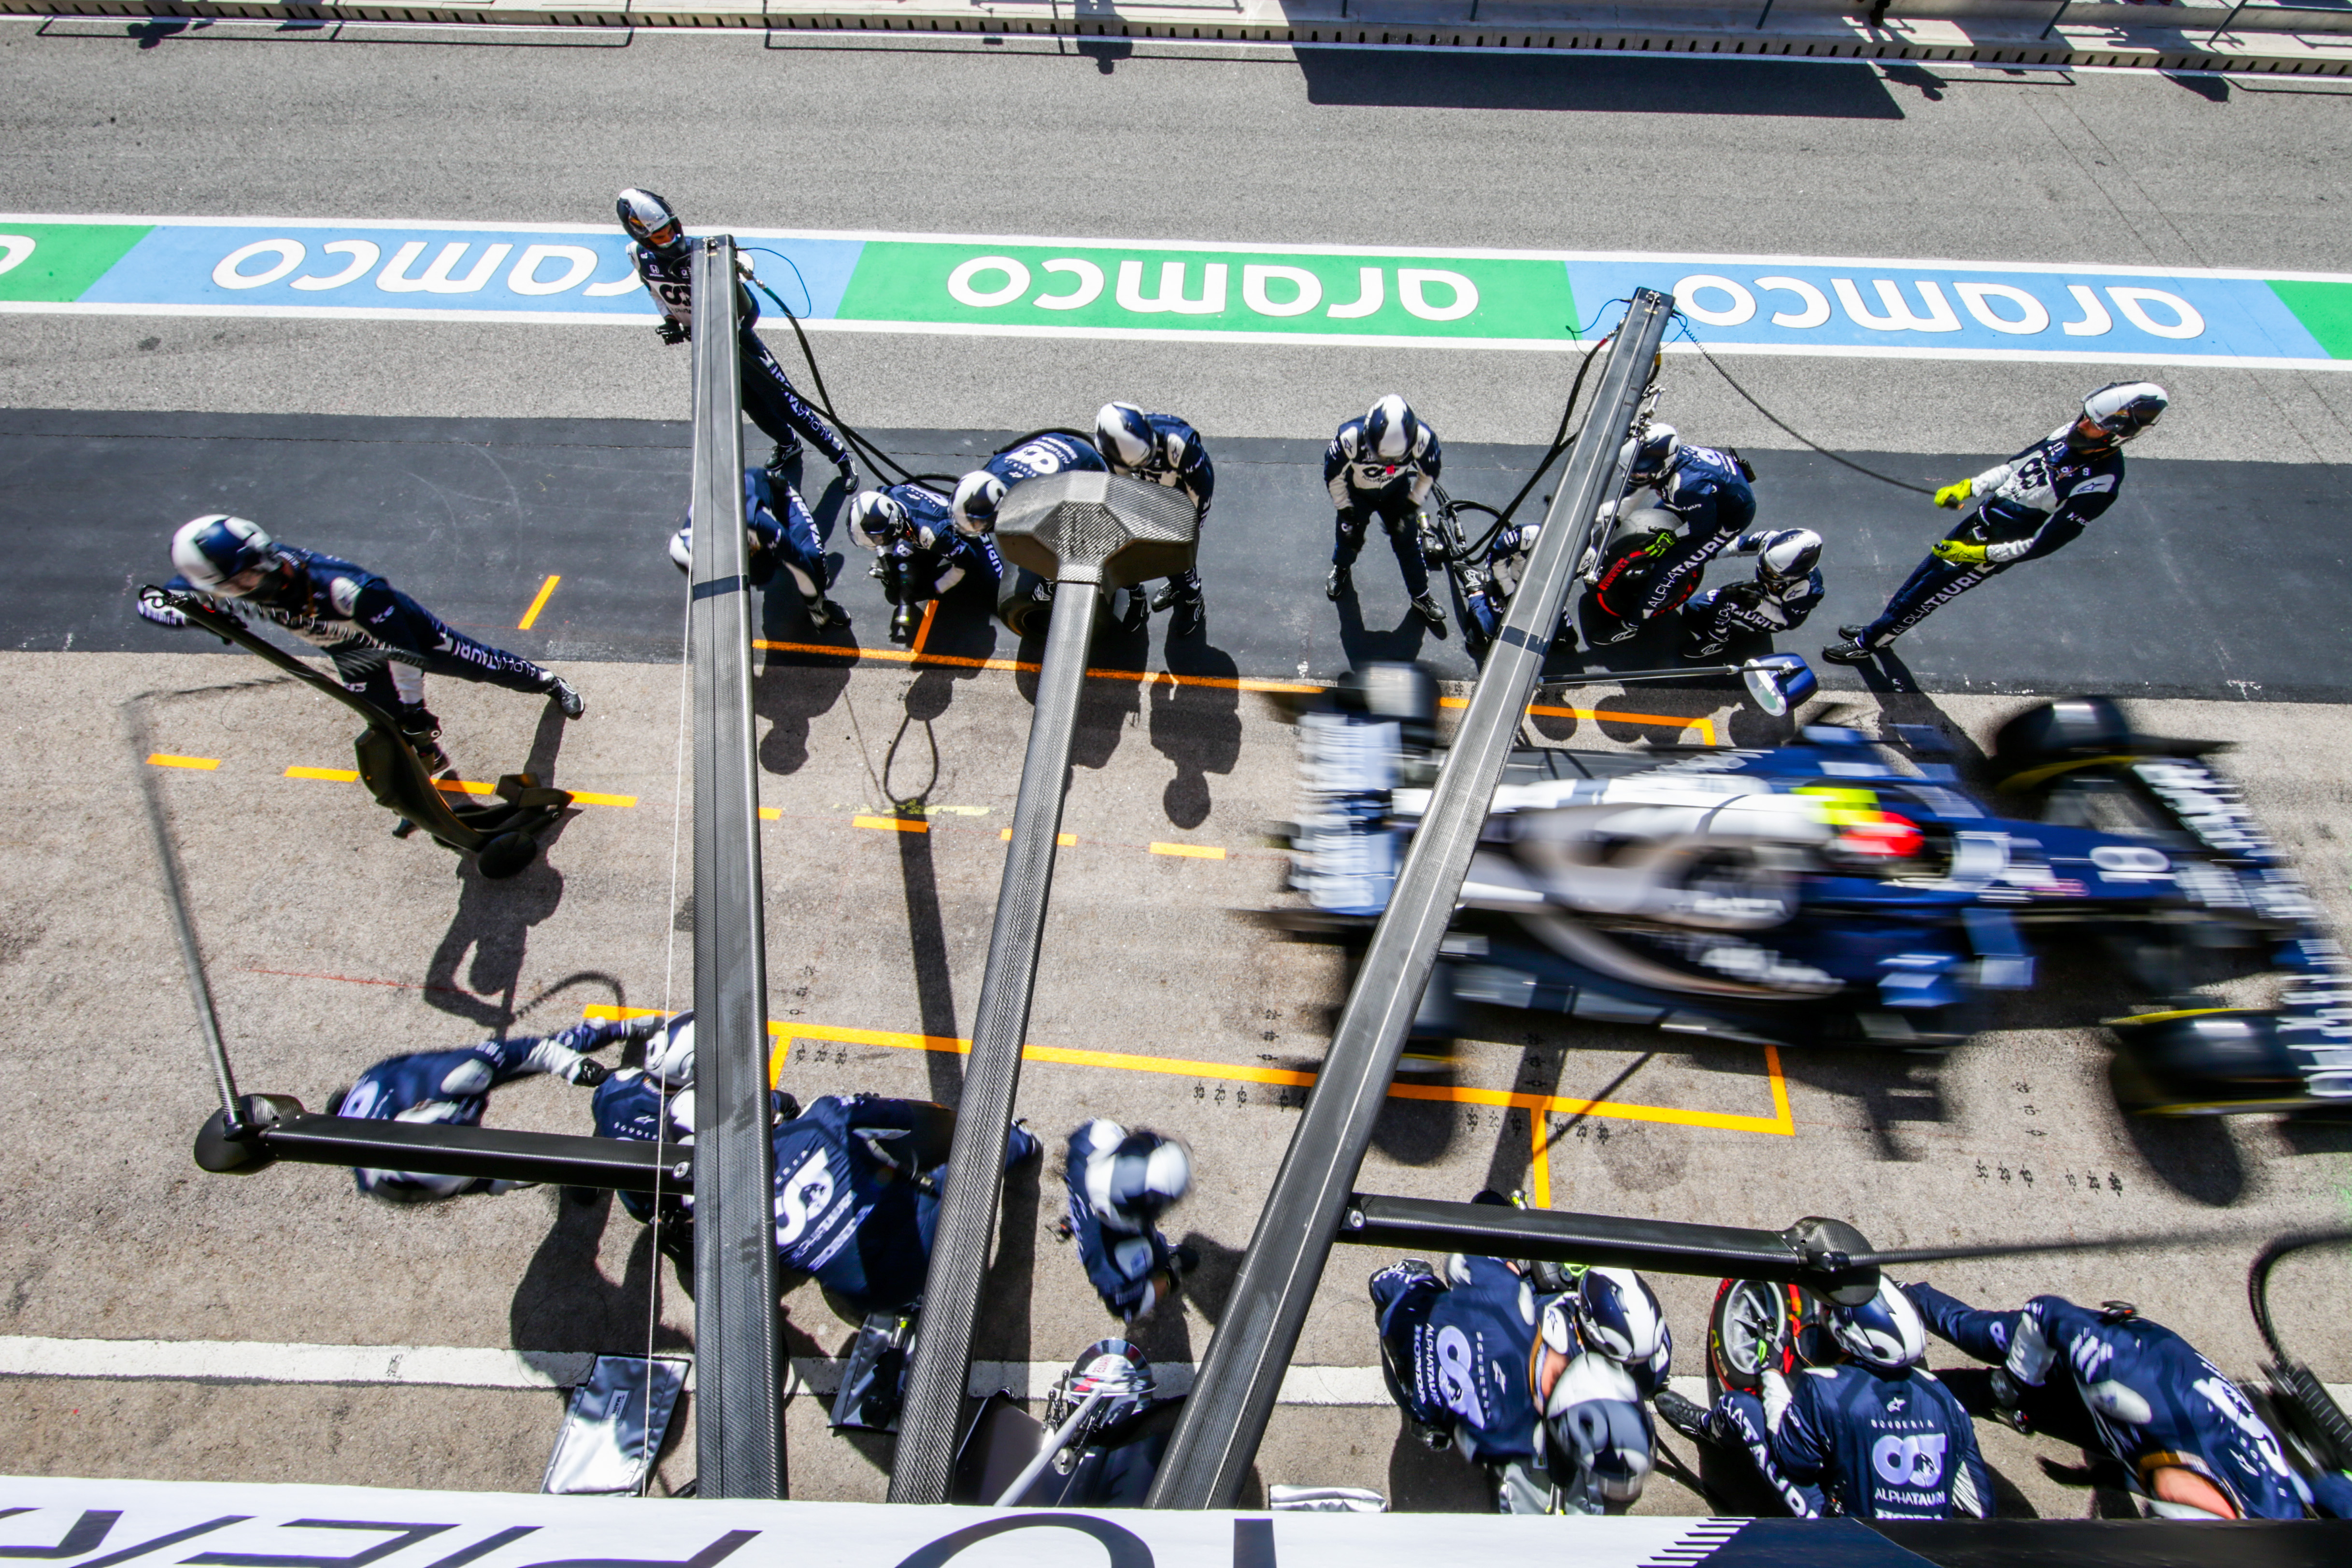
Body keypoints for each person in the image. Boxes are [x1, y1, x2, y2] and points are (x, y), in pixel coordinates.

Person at [139, 515, 584, 773]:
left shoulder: (347, 589)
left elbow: (406, 654)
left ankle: (547, 681)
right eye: (243, 582)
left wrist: (414, 708)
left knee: (478, 666)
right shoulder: (219, 579)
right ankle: (428, 767)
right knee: (385, 723)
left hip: (408, 638)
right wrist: (189, 616)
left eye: (261, 566)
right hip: (350, 654)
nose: (263, 579)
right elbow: (153, 600)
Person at [1902, 1282, 2343, 1519]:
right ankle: (1897, 1294)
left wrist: (2109, 1477)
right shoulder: (2132, 1377)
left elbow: (2179, 1487)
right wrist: (2014, 1381)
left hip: (2133, 1434)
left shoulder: (2273, 1513)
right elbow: (2046, 1312)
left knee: (1970, 1399)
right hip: (2118, 1363)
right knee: (1972, 1334)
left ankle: (1899, 1392)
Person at [1823, 383, 2167, 666]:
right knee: (1919, 578)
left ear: (2116, 436)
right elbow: (2014, 467)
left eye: (2093, 425)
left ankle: (1868, 644)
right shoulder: (2067, 432)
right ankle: (1883, 628)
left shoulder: (2100, 484)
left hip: (1992, 549)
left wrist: (1980, 555)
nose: (2081, 425)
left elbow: (2042, 543)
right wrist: (1971, 486)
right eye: (2085, 416)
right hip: (1978, 521)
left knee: (1926, 596)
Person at [1654, 1277, 1988, 1520]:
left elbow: (1792, 1460)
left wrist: (1771, 1371)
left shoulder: (1825, 1388)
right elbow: (1979, 1505)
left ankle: (1709, 1428)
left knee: (1740, 1408)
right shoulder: (1945, 1399)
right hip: (1928, 1548)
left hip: (1845, 1539)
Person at [1371, 1233, 1656, 1514]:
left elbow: (1460, 1261)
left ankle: (1396, 1279)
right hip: (1419, 1394)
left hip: (1408, 1328)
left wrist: (1505, 1266)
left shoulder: (1508, 1299)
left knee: (1403, 1286)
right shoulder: (1509, 1441)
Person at [616, 188, 855, 485]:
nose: (669, 238)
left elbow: (751, 309)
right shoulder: (637, 255)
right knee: (750, 405)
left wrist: (732, 330)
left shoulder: (708, 254)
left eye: (670, 230)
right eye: (660, 236)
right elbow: (655, 292)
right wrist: (670, 322)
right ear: (641, 237)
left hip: (742, 345)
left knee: (786, 405)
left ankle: (840, 457)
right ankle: (788, 444)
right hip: (709, 348)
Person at [770, 1094, 1040, 1315]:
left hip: (871, 1298)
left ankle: (910, 1303)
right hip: (926, 1239)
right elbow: (902, 1118)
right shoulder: (821, 1115)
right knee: (956, 1172)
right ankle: (1020, 1141)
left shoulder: (744, 1215)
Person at [332, 1017, 649, 1203]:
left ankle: (611, 1029)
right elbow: (486, 1181)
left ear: (425, 1107)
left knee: (524, 1058)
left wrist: (577, 1068)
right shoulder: (387, 1184)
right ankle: (575, 1173)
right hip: (423, 1143)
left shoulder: (453, 1075)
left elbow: (531, 1051)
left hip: (408, 1078)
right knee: (514, 1174)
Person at [1585, 426, 1756, 648]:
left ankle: (1631, 626)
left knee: (1669, 569)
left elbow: (1702, 527)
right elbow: (1630, 500)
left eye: (1639, 474)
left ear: (1663, 466)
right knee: (1660, 521)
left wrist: (1673, 536)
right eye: (1631, 471)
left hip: (1725, 519)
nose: (1634, 477)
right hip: (1706, 499)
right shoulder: (1665, 463)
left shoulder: (1686, 488)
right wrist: (1588, 516)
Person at [670, 467, 846, 630]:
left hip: (781, 501)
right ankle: (767, 555)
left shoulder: (754, 521)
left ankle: (820, 604)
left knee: (812, 557)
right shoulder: (694, 529)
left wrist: (813, 601)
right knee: (761, 576)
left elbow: (796, 558)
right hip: (749, 530)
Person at [1325, 395, 1446, 631]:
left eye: (1394, 457)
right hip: (1357, 493)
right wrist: (1346, 510)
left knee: (1408, 542)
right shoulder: (1349, 437)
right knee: (1348, 537)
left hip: (1396, 493)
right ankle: (1341, 568)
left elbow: (1429, 474)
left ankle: (1421, 595)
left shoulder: (1424, 439)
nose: (1387, 461)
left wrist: (1410, 508)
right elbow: (1333, 475)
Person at [1061, 1119, 1197, 1323]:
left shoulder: (1090, 1139)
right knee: (1152, 1255)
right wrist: (1167, 1279)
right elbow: (1127, 1308)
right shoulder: (1116, 1268)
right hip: (1116, 1246)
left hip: (1090, 1216)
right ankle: (1167, 1263)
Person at [1095, 402, 1212, 636]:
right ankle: (1163, 588)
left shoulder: (1181, 443)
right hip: (1147, 496)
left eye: (1147, 456)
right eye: (1139, 463)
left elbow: (1201, 491)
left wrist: (1190, 530)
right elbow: (1120, 486)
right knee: (1135, 552)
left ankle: (1193, 599)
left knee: (1178, 556)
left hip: (1180, 499)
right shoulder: (1110, 449)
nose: (1146, 464)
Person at [849, 485, 1005, 645]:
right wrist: (885, 556)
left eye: (877, 538)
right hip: (928, 531)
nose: (876, 542)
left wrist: (937, 588)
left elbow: (966, 562)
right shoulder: (887, 495)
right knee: (897, 573)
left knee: (1001, 595)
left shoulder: (932, 535)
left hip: (964, 534)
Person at [1680, 528, 1825, 660]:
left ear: (1794, 576)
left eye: (1772, 573)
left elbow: (1788, 622)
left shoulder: (1807, 590)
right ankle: (1723, 621)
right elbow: (1736, 545)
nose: (1765, 571)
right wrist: (1701, 555)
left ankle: (1717, 642)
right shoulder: (1772, 540)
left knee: (1727, 600)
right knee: (1694, 607)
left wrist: (1758, 604)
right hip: (1762, 592)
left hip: (1775, 617)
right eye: (1765, 564)